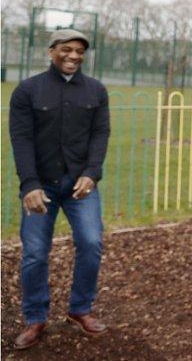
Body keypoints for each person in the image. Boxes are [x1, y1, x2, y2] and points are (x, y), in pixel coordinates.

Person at [9, 29, 110, 350]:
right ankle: (35, 317)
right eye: (66, 49)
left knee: (91, 242)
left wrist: (92, 174)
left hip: (81, 186)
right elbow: (21, 139)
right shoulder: (28, 91)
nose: (74, 56)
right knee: (36, 253)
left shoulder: (96, 90)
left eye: (80, 51)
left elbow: (100, 134)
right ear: (51, 51)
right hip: (41, 187)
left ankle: (79, 310)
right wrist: (29, 185)